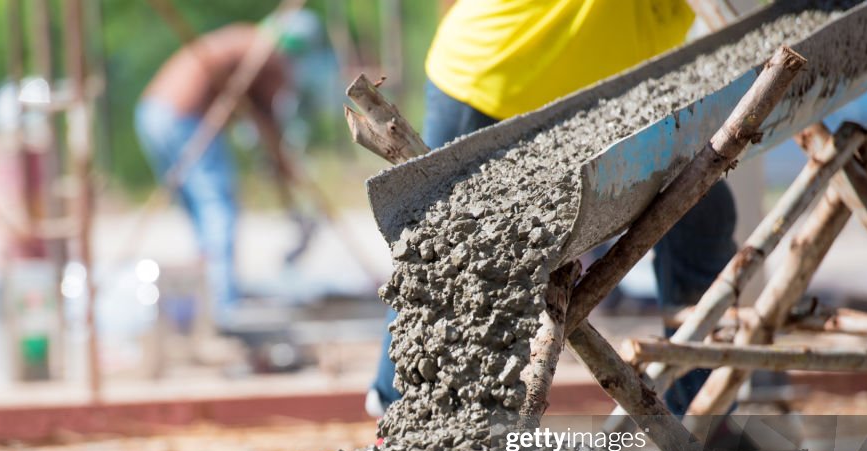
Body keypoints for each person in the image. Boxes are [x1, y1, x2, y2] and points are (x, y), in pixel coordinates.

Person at [366, 0, 737, 418]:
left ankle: (706, 412)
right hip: (497, 76)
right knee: (447, 256)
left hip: (610, 96)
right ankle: (400, 413)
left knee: (703, 215)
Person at [134, 11, 322, 329]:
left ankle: (209, 295)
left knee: (200, 214)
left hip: (152, 113)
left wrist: (281, 170)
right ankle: (224, 305)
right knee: (217, 206)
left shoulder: (245, 42)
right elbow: (270, 124)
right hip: (184, 117)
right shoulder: (268, 55)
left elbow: (262, 123)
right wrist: (288, 176)